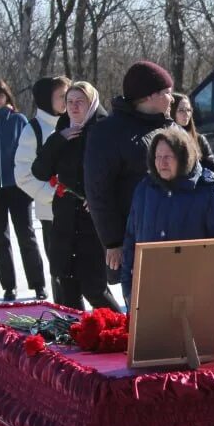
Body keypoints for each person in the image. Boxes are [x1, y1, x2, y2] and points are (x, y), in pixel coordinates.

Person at [120, 126, 214, 303]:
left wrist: (209, 285)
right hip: (149, 291)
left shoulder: (209, 190)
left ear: (183, 156)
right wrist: (129, 290)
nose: (162, 163)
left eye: (168, 157)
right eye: (158, 157)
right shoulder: (145, 189)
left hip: (193, 295)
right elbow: (131, 239)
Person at [29, 80, 120, 312]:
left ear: (92, 103)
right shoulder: (62, 129)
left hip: (93, 223)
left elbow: (119, 172)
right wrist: (59, 139)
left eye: (80, 102)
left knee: (94, 288)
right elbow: (39, 171)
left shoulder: (105, 130)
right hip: (65, 221)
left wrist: (101, 197)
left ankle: (124, 333)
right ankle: (76, 339)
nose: (74, 107)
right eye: (69, 102)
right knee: (66, 288)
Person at [85, 60, 176, 285]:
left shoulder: (171, 127)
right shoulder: (108, 133)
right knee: (145, 311)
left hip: (177, 233)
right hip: (136, 237)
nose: (172, 98)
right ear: (148, 96)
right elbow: (98, 192)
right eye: (166, 92)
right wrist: (113, 241)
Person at [0, 78, 48, 301]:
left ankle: (38, 284)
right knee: (0, 238)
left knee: (26, 235)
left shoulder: (18, 120)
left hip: (18, 187)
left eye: (1, 94)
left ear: (7, 96)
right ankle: (9, 286)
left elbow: (29, 152)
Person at [15, 76, 70, 303]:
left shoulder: (77, 121)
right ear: (47, 99)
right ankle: (66, 321)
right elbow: (23, 175)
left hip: (83, 212)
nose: (67, 101)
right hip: (52, 214)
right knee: (61, 272)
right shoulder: (34, 130)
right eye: (61, 96)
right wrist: (53, 195)